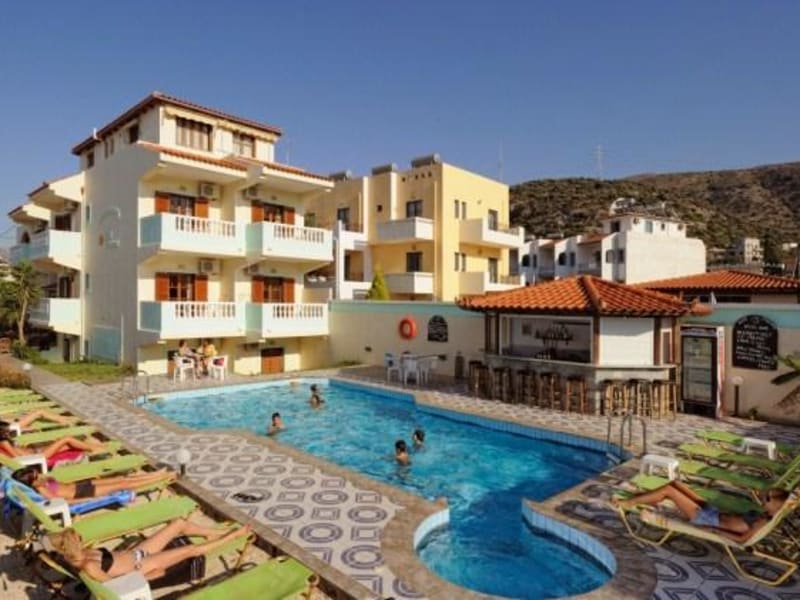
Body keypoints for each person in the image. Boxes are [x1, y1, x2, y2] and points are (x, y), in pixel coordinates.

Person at [49, 516, 251, 582]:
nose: (82, 538)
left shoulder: (78, 554)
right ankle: (231, 536)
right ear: (73, 545)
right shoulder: (88, 566)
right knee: (190, 549)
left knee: (178, 523)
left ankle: (215, 533)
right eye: (78, 538)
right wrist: (148, 576)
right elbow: (115, 586)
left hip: (138, 551)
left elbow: (53, 544)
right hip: (142, 565)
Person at [612, 480, 789, 543]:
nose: (763, 500)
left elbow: (742, 539)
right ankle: (644, 496)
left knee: (669, 491)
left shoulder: (763, 521)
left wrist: (712, 530)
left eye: (767, 499)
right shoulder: (766, 514)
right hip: (713, 512)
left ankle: (627, 503)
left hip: (706, 519)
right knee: (675, 484)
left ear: (776, 506)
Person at [12, 466, 176, 502]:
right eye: (36, 475)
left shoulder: (42, 482)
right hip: (83, 493)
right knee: (124, 483)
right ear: (32, 481)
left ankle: (157, 474)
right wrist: (88, 500)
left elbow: (61, 484)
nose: (39, 473)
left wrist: (48, 479)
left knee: (121, 478)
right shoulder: (41, 490)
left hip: (81, 485)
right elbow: (64, 502)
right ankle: (161, 477)